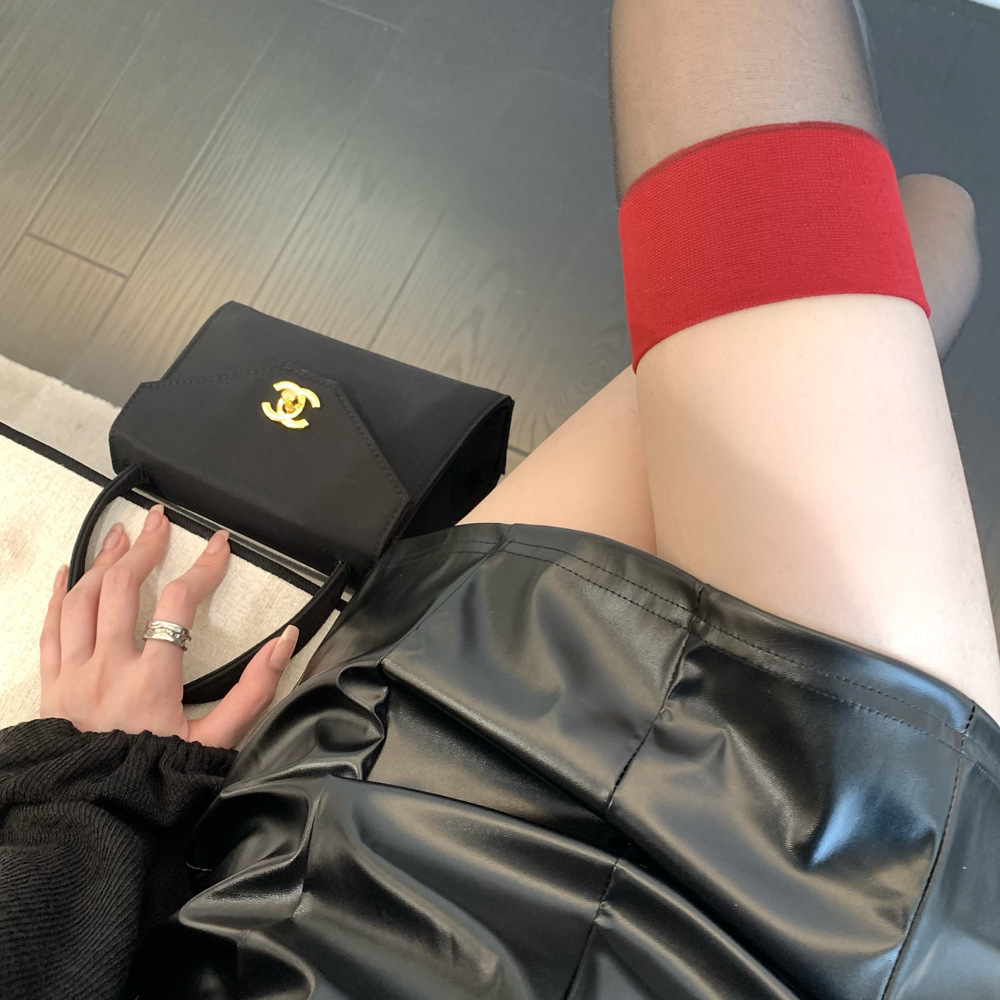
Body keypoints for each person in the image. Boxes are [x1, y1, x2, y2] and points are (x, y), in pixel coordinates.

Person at [2, 0, 998, 997]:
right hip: (803, 917)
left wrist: (96, 782)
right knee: (911, 218)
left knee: (916, 222)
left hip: (363, 862)